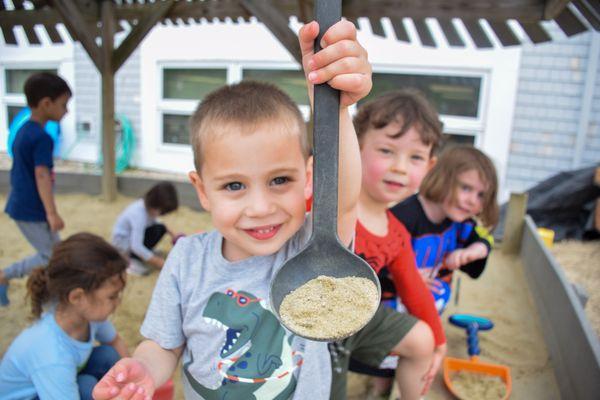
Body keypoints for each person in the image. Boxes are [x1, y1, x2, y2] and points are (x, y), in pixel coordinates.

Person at [92, 20, 426, 400]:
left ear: (310, 177)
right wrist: (145, 369)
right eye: (234, 186)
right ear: (202, 191)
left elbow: (346, 195)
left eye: (280, 180)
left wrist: (334, 105)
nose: (261, 207)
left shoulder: (313, 250)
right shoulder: (186, 261)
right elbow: (164, 346)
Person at [349, 89, 446, 398]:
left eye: (415, 157)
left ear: (429, 167)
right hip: (297, 315)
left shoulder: (397, 234)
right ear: (356, 149)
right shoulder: (332, 199)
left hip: (351, 320)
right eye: (387, 151)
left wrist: (439, 341)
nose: (400, 167)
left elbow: (414, 290)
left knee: (423, 340)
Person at [0, 233, 129, 400]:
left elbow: (114, 341)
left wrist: (133, 378)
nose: (117, 302)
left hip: (58, 377)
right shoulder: (51, 353)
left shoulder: (86, 314)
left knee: (108, 356)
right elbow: (56, 363)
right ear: (77, 297)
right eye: (112, 296)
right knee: (87, 387)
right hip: (32, 393)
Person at [391, 145, 499, 313]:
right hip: (392, 311)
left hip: (430, 309)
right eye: (465, 188)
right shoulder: (403, 218)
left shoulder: (462, 222)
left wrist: (477, 249)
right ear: (442, 178)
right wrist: (404, 276)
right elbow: (372, 263)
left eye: (481, 195)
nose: (472, 201)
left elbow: (482, 241)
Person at [0, 72, 72, 307]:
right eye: (64, 105)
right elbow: (41, 175)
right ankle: (4, 275)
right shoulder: (42, 138)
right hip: (30, 208)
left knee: (57, 253)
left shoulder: (23, 130)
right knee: (49, 256)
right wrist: (52, 213)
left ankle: (55, 292)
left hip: (26, 204)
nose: (66, 111)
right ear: (46, 104)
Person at [111, 181, 179, 275]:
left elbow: (157, 222)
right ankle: (129, 261)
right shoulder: (138, 214)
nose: (162, 214)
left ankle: (143, 254)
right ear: (155, 205)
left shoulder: (148, 208)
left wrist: (173, 234)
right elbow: (136, 246)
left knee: (160, 228)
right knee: (142, 267)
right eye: (162, 211)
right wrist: (159, 263)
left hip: (132, 239)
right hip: (122, 245)